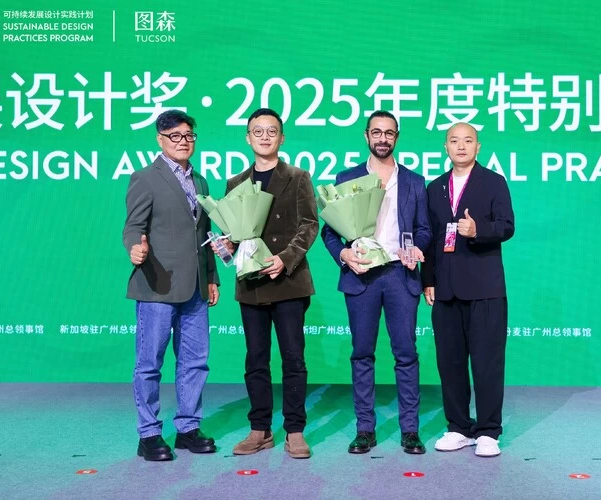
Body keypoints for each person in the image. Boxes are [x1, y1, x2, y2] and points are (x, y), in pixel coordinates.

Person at [322, 110, 432, 455]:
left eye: (389, 133)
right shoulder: (347, 178)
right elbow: (329, 231)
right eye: (376, 132)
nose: (383, 138)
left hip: (401, 274)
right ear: (366, 136)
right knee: (362, 354)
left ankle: (410, 430)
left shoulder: (414, 181)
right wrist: (343, 254)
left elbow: (424, 229)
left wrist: (416, 246)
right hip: (362, 276)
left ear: (396, 137)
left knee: (406, 354)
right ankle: (364, 429)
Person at [219, 108, 318, 459]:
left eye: (271, 131)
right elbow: (234, 232)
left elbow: (309, 225)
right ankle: (259, 429)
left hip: (288, 280)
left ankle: (295, 430)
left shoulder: (298, 177)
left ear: (282, 137)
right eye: (257, 131)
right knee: (256, 359)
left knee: (293, 358)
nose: (264, 136)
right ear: (247, 138)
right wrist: (226, 245)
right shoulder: (235, 183)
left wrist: (285, 259)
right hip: (252, 284)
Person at [122, 110, 220, 461]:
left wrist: (212, 277)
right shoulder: (145, 178)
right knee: (150, 363)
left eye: (188, 135)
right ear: (160, 139)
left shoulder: (201, 182)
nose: (183, 141)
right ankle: (149, 433)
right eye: (175, 136)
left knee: (195, 361)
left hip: (196, 287)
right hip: (157, 285)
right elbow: (133, 227)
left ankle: (188, 428)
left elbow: (205, 234)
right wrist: (134, 248)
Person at [422, 122, 515, 457]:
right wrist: (428, 280)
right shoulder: (435, 188)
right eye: (454, 140)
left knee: (488, 362)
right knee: (450, 363)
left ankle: (488, 431)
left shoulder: (493, 182)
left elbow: (507, 226)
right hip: (445, 289)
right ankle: (458, 427)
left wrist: (478, 230)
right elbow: (430, 237)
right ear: (445, 147)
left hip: (485, 288)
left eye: (468, 140)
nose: (460, 146)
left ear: (478, 147)